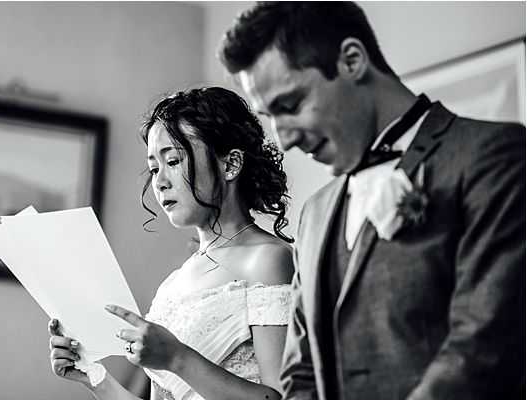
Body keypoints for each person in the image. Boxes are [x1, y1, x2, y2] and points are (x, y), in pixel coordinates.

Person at [219, 2, 526, 399]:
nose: (284, 140)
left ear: (351, 60)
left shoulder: (493, 156)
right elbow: (300, 374)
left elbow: (482, 349)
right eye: (270, 117)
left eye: (290, 105)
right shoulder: (313, 216)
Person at [48, 86, 295, 399]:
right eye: (154, 168)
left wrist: (177, 358)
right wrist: (93, 376)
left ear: (230, 164)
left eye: (174, 161)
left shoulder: (268, 259)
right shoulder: (172, 285)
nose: (160, 182)